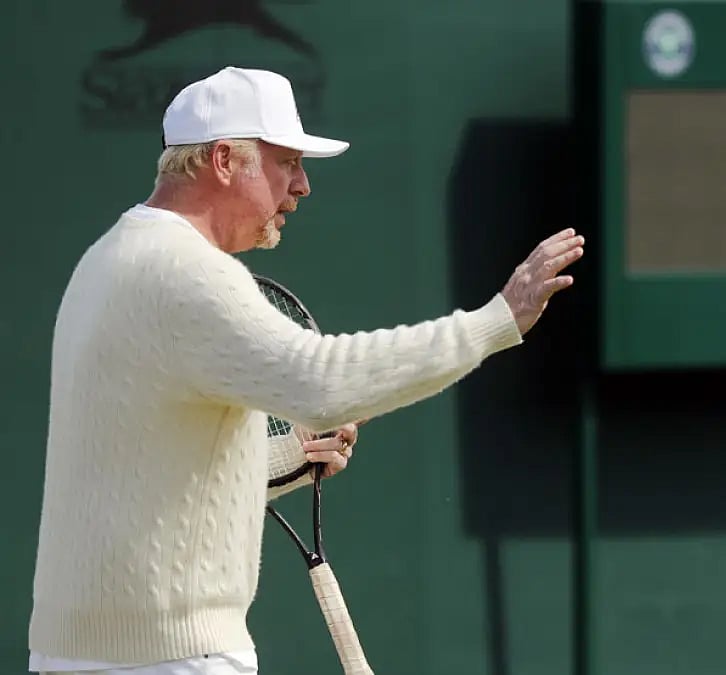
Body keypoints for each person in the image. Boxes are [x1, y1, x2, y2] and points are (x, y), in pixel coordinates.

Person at [28, 66, 584, 674]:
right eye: (287, 162)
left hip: (71, 655)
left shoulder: (105, 260)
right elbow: (321, 382)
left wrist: (287, 456)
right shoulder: (185, 273)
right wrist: (497, 320)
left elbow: (141, 470)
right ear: (223, 160)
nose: (302, 187)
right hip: (172, 659)